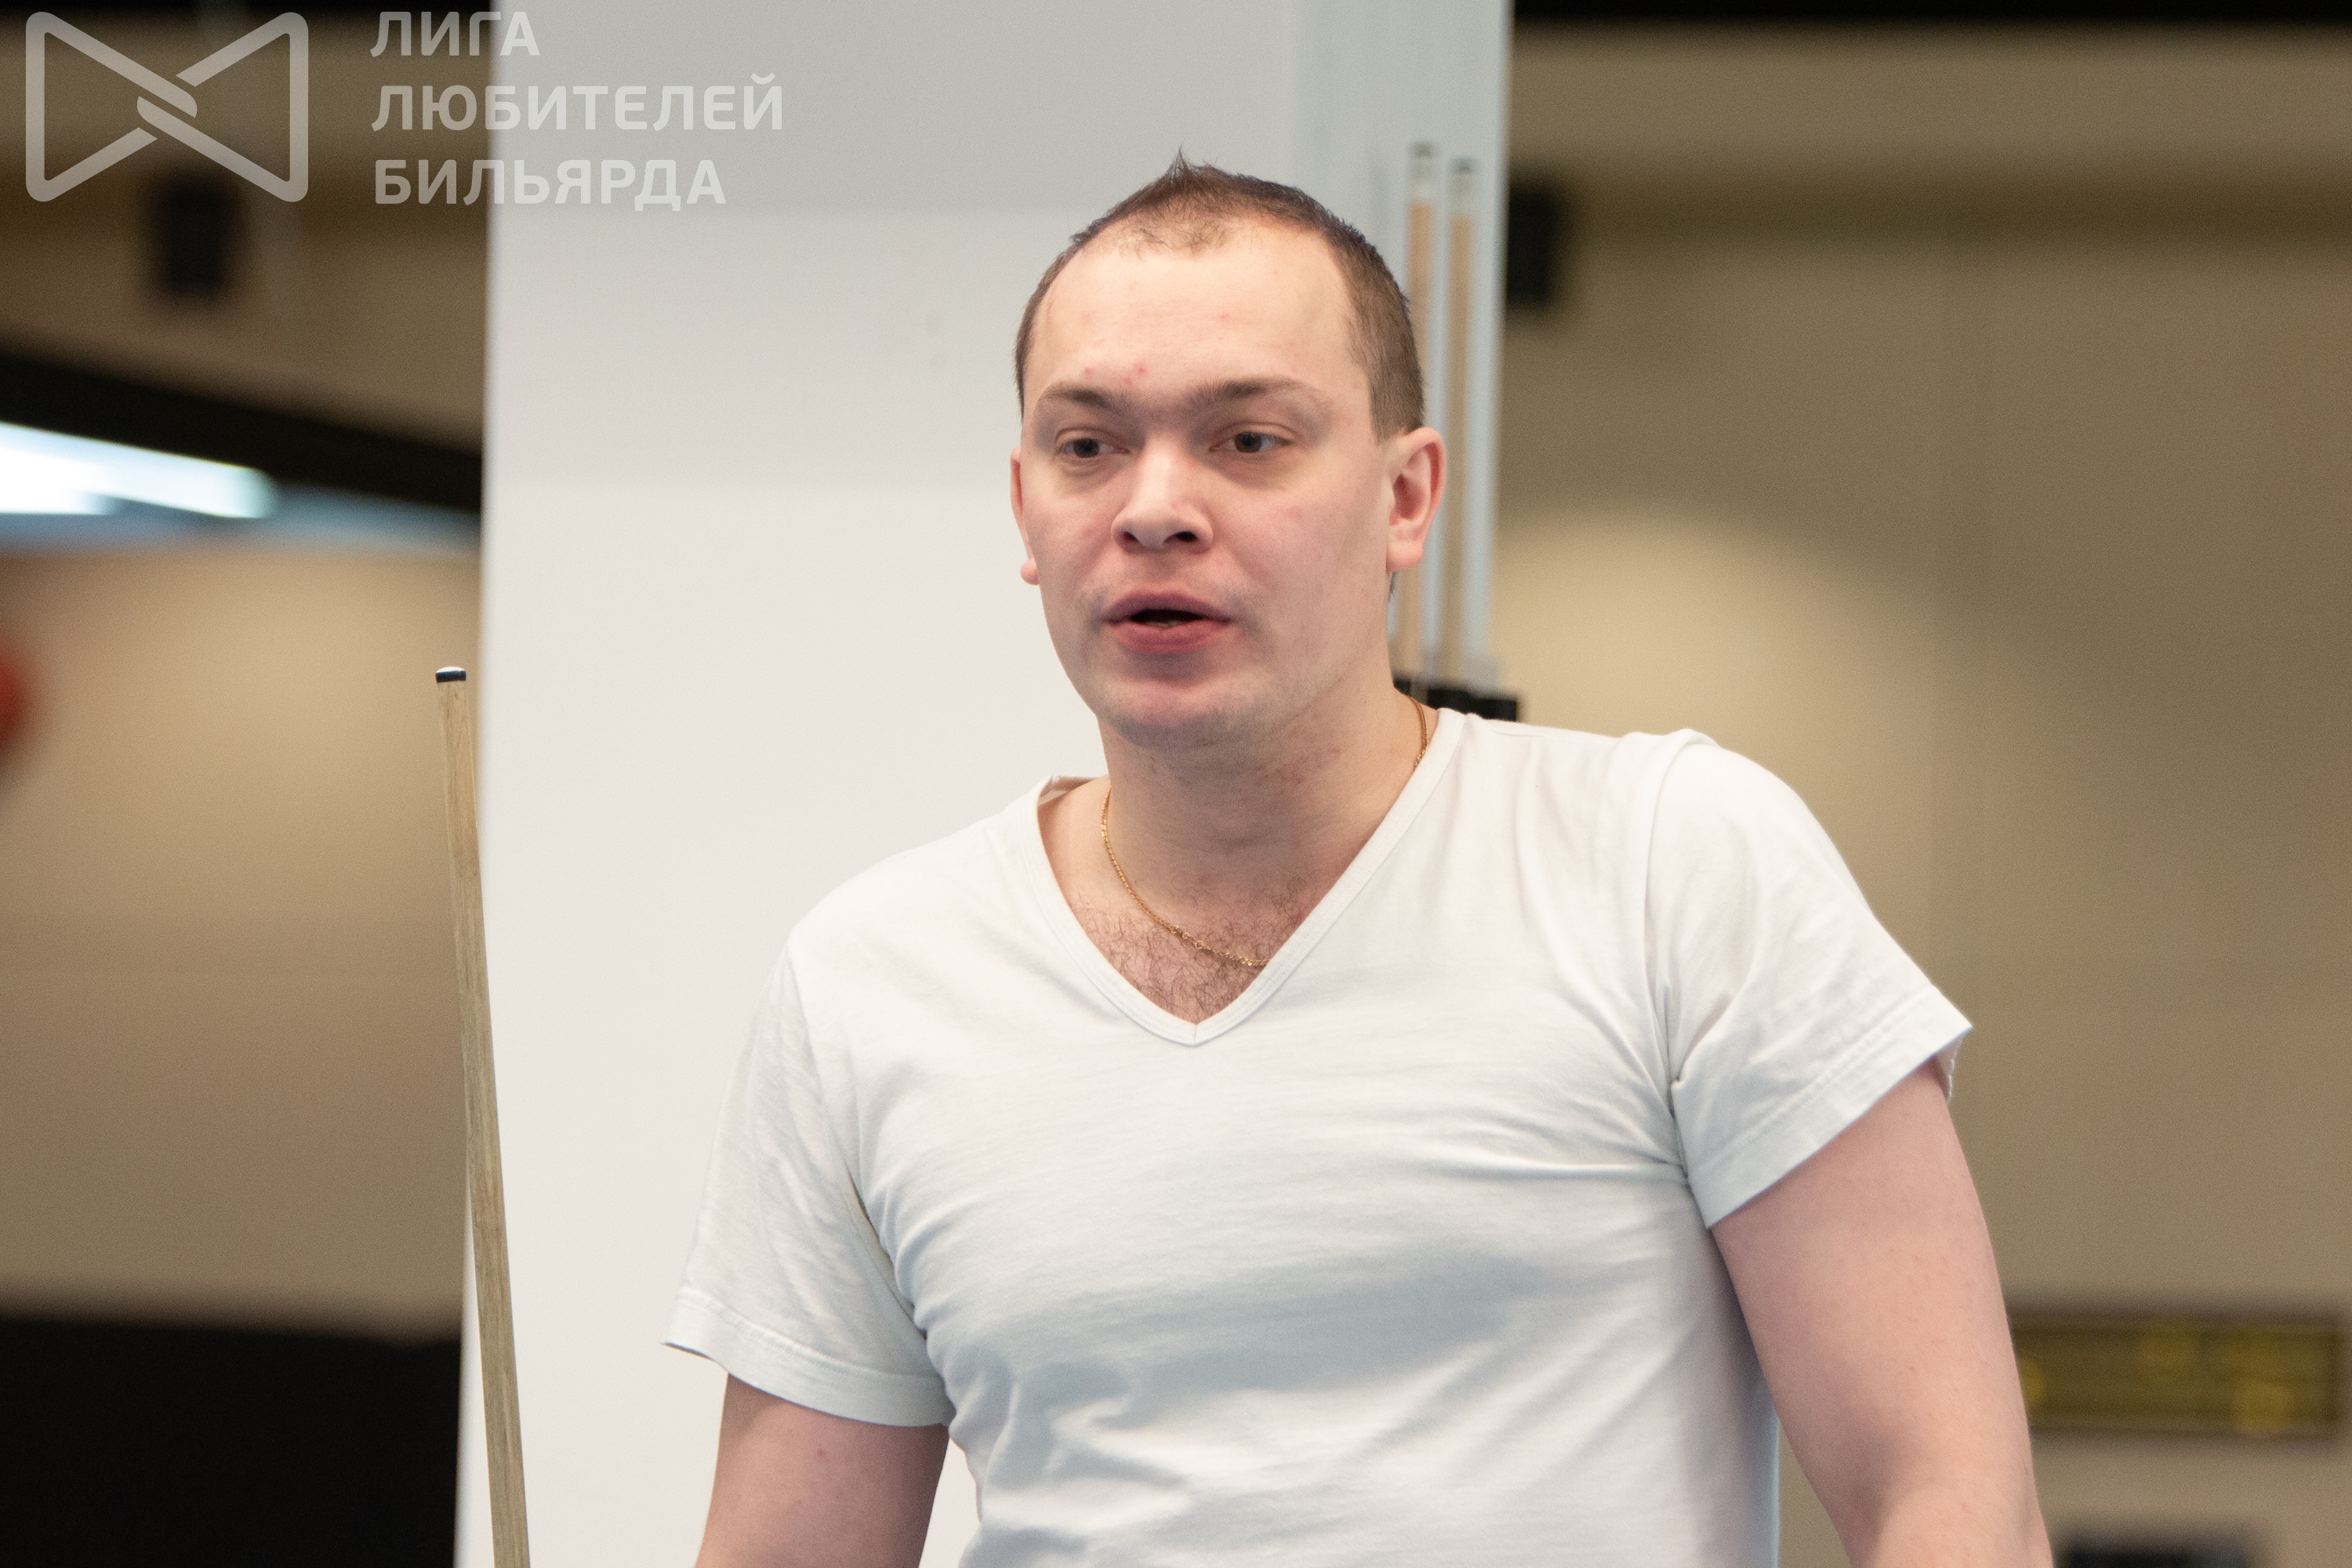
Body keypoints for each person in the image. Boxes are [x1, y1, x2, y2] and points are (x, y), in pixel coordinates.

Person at [670, 157, 2051, 1568]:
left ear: (1406, 496)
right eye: (1089, 447)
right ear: (1025, 507)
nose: (1155, 507)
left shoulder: (1671, 861)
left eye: (1248, 440)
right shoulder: (873, 978)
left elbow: (1950, 1497)